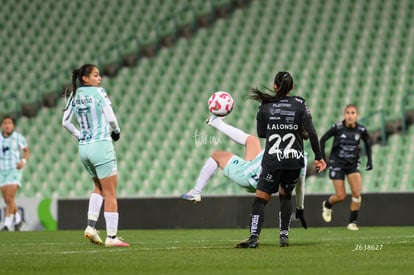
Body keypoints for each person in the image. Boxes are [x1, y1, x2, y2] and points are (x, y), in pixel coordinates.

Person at [236, 71, 326, 248]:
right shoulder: (300, 103)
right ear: (291, 87)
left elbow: (262, 133)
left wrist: (277, 126)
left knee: (261, 199)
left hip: (273, 160)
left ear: (275, 86)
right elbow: (312, 132)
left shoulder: (265, 105)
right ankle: (283, 236)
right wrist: (319, 157)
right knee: (285, 197)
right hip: (294, 160)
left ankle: (254, 237)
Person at [181, 115, 309, 229]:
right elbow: (300, 185)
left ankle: (196, 192)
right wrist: (300, 207)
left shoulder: (278, 139)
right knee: (252, 140)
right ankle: (216, 122)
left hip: (249, 176)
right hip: (260, 172)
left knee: (217, 155)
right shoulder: (302, 156)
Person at [62, 64, 129, 247]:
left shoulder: (74, 96)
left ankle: (91, 227)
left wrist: (79, 134)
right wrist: (116, 131)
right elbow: (111, 118)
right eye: (96, 75)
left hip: (84, 148)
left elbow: (65, 123)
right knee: (111, 192)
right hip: (101, 146)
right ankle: (112, 237)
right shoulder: (99, 92)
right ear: (85, 78)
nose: (99, 78)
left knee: (98, 187)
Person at [320, 104, 373, 231]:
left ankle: (352, 222)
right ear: (344, 115)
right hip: (337, 164)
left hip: (352, 165)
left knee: (356, 193)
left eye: (353, 113)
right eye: (348, 112)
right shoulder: (337, 127)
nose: (350, 115)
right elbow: (322, 140)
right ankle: (327, 205)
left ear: (357, 115)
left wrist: (370, 160)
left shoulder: (361, 130)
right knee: (341, 196)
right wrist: (322, 159)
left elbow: (368, 142)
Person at [0, 116, 30, 232]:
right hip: (2, 171)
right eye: (5, 123)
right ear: (2, 126)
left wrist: (23, 161)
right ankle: (18, 219)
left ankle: (7, 224)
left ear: (12, 125)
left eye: (10, 123)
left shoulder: (18, 137)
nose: (7, 125)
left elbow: (27, 151)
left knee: (10, 197)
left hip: (14, 170)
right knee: (7, 200)